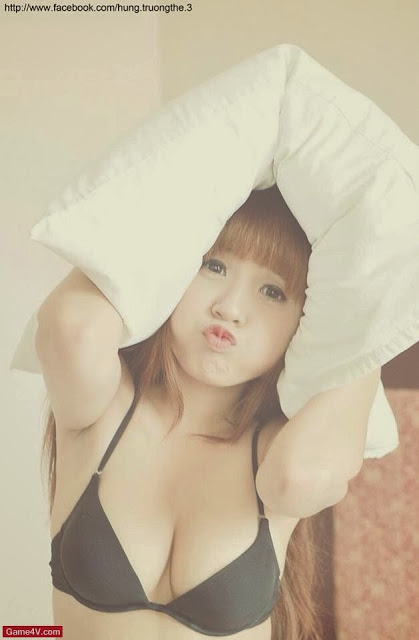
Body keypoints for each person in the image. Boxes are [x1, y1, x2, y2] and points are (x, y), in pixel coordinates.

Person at [35, 186, 380, 640]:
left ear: (306, 322)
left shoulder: (279, 451)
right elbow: (72, 329)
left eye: (272, 291)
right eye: (213, 266)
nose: (230, 308)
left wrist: (371, 296)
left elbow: (304, 478)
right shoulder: (103, 409)